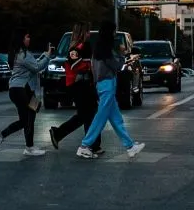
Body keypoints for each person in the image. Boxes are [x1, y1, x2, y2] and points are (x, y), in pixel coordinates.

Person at [76, 21, 144, 160]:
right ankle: (84, 145)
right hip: (107, 85)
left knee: (116, 118)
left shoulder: (99, 48)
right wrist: (122, 54)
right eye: (114, 31)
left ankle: (130, 146)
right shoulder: (106, 49)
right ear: (110, 33)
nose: (115, 34)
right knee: (101, 116)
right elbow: (117, 66)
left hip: (103, 85)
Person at [0, 30, 51, 156]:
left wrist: (43, 56)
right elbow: (37, 67)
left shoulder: (20, 53)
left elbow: (34, 64)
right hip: (20, 89)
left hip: (25, 90)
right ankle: (0, 136)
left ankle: (29, 147)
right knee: (26, 120)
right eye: (27, 37)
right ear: (22, 39)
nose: (29, 39)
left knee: (31, 116)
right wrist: (47, 55)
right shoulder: (23, 54)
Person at [49, 23, 102, 154]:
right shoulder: (79, 47)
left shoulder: (80, 47)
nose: (90, 34)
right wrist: (87, 65)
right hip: (80, 86)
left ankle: (90, 143)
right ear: (83, 33)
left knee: (86, 115)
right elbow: (75, 66)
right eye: (88, 32)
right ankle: (91, 145)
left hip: (82, 85)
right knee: (88, 115)